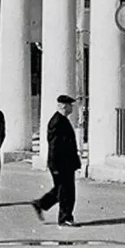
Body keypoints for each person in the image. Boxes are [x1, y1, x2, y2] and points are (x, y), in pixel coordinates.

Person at [32, 95, 82, 226]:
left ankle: (41, 204)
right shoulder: (57, 122)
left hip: (65, 163)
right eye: (70, 105)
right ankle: (64, 218)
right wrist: (54, 166)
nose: (72, 107)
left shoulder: (62, 120)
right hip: (61, 164)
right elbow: (54, 145)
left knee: (62, 190)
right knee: (66, 192)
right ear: (64, 106)